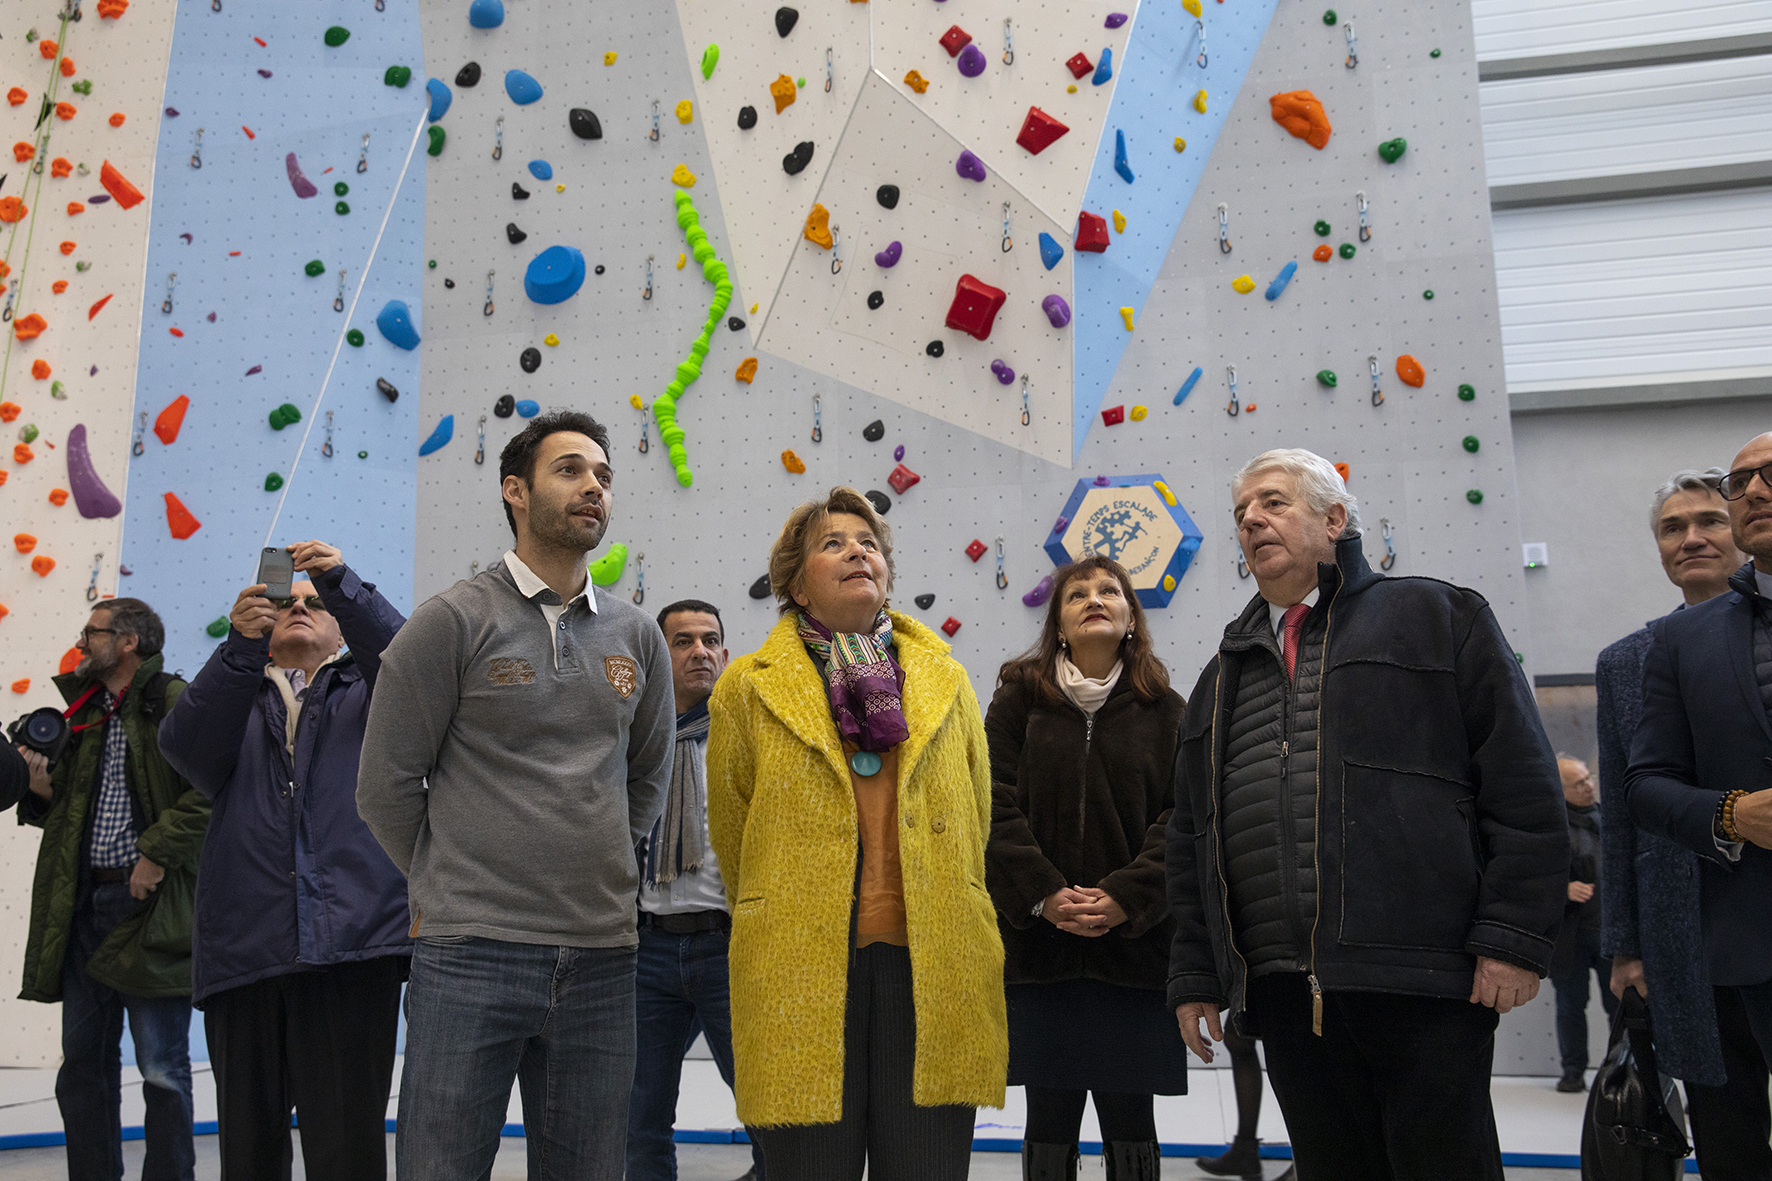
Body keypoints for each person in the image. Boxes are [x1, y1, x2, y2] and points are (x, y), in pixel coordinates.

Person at [1166, 448, 1569, 1181]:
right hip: (1283, 990)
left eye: (1274, 502)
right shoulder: (1220, 677)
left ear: (1335, 517)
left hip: (1422, 976)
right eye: (1242, 513)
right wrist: (1197, 973)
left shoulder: (1439, 615)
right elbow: (1192, 839)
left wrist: (1514, 934)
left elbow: (1522, 784)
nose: (1252, 519)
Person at [358, 410, 675, 1181]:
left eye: (603, 474)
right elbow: (385, 788)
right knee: (439, 1167)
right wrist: (457, 879)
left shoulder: (637, 636)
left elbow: (646, 780)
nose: (593, 485)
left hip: (603, 953)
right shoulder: (450, 621)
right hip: (470, 951)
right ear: (515, 491)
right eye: (570, 469)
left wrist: (591, 860)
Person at [707, 487, 1007, 1181]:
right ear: (793, 579)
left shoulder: (946, 678)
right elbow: (733, 832)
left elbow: (977, 815)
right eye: (832, 543)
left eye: (868, 542)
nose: (857, 551)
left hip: (933, 964)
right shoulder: (747, 689)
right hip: (799, 967)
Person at [157, 540, 410, 1180]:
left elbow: (413, 669)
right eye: (284, 600)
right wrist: (239, 649)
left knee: (349, 1150)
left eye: (313, 602)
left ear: (338, 623)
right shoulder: (231, 687)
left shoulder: (375, 691)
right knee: (247, 1153)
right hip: (247, 951)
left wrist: (341, 582)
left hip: (353, 950)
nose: (297, 606)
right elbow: (187, 752)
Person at [984, 556, 1186, 1181]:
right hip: (1041, 951)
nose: (1093, 599)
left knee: (1132, 1123)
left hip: (1133, 952)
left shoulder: (1168, 710)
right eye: (1077, 594)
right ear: (1060, 625)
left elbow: (1184, 818)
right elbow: (988, 800)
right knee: (1048, 1120)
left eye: (1108, 591)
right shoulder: (1019, 699)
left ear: (1130, 619)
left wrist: (1128, 895)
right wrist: (1044, 895)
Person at [1598, 468, 1770, 1175]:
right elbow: (1620, 814)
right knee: (1724, 1124)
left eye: (1708, 520)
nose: (1692, 538)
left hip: (1755, 905)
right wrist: (1624, 944)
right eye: (1673, 527)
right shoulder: (1627, 661)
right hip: (1679, 926)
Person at [15, 598, 209, 1181]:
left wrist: (155, 853)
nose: (82, 642)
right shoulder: (80, 711)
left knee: (162, 1069)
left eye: (92, 633)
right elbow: (69, 814)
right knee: (82, 1066)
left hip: (151, 907)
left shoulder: (174, 701)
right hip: (81, 905)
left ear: (129, 642)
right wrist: (40, 788)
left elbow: (210, 791)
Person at [1627, 431, 1772, 1080]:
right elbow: (1645, 785)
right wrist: (1732, 814)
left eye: (1771, 474)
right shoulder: (1682, 641)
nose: (1756, 491)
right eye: (1739, 482)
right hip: (1759, 940)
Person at [628, 599, 765, 1181]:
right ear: (658, 655)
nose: (699, 651)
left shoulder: (746, 735)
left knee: (767, 1111)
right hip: (644, 950)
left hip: (729, 946)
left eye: (710, 640)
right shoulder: (633, 737)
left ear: (726, 655)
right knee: (637, 1115)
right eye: (682, 641)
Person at [1549, 756, 1618, 1091]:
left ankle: (1621, 1072)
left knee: (1619, 1007)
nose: (1588, 785)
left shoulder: (1608, 819)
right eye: (1578, 782)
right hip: (1571, 937)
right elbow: (1530, 879)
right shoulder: (1550, 826)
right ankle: (1573, 1072)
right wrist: (1562, 890)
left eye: (1588, 778)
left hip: (1610, 933)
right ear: (1559, 788)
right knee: (1570, 1006)